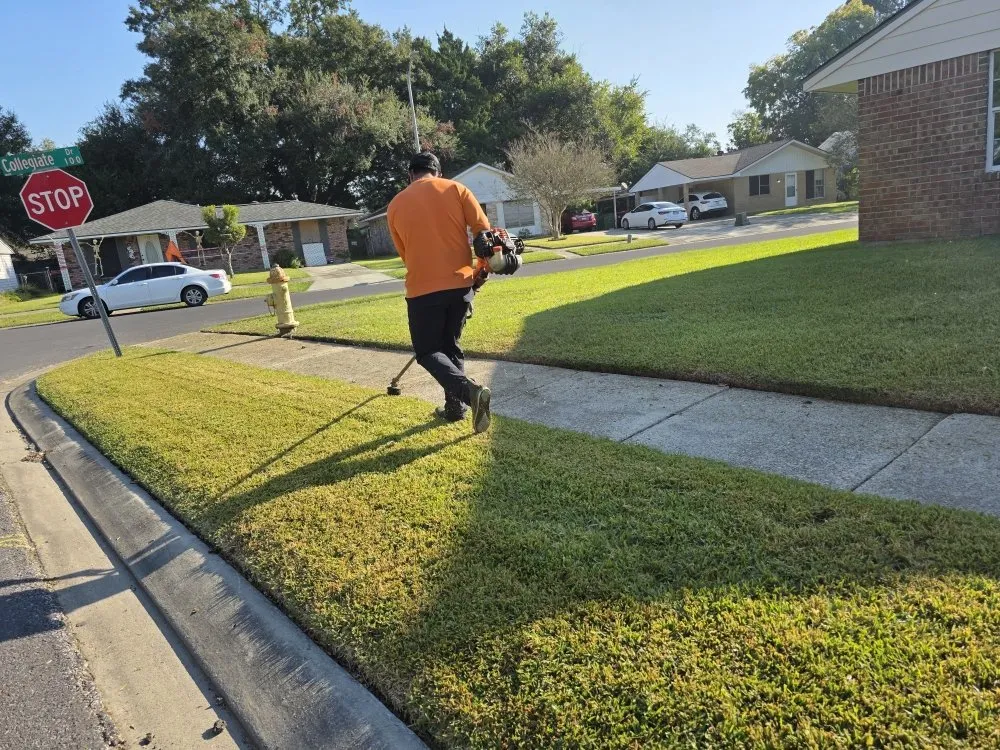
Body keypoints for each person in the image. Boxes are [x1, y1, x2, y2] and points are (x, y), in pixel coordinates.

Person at [387, 151, 493, 433]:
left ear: (410, 175)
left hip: (422, 290)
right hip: (460, 286)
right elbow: (484, 235)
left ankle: (468, 394)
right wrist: (480, 273)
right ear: (438, 172)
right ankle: (454, 408)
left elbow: (404, 254)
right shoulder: (457, 189)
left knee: (427, 351)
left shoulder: (396, 205)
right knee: (449, 347)